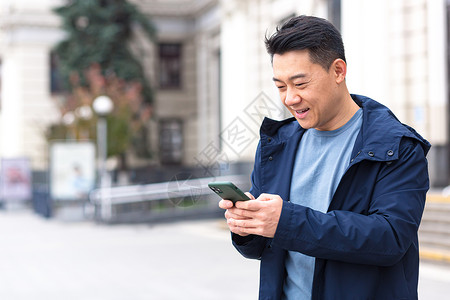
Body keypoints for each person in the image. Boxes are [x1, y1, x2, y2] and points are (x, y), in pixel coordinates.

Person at [219, 15, 430, 299]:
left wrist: (285, 221)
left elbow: (391, 238)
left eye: (300, 83)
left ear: (338, 71)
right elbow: (263, 247)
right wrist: (247, 225)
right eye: (281, 86)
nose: (289, 98)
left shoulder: (397, 147)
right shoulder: (276, 145)